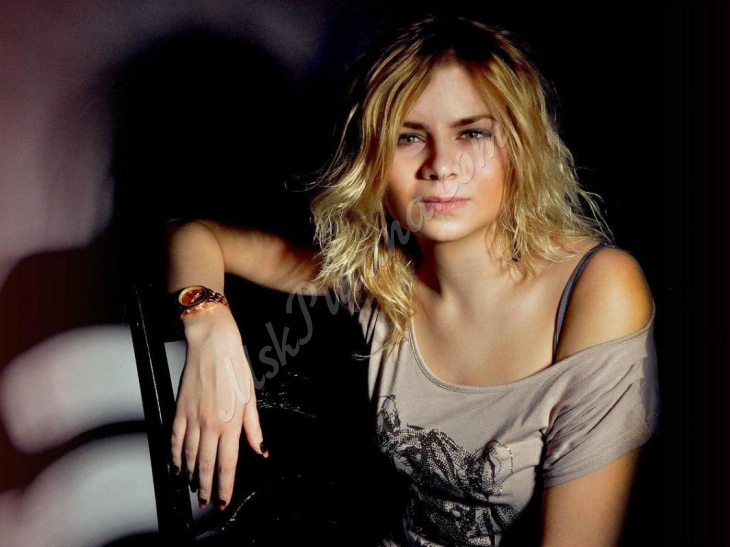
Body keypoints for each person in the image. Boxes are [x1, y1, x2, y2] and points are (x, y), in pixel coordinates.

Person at [165, 15, 660, 546]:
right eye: (409, 137)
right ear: (374, 159)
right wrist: (208, 324)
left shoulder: (599, 290)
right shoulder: (380, 273)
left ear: (518, 146)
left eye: (472, 133)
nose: (441, 165)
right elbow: (192, 235)